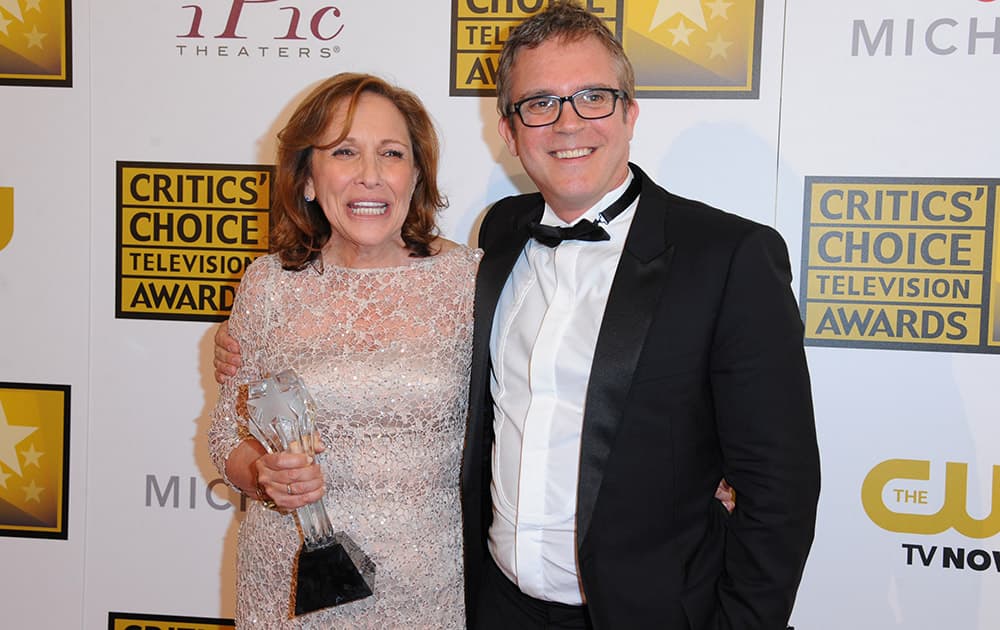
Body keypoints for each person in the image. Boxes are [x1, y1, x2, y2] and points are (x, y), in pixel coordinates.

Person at [216, 2, 816, 627]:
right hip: (493, 605)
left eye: (592, 97)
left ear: (630, 112)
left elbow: (780, 487)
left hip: (650, 612)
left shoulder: (729, 257)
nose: (567, 123)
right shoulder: (498, 242)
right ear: (510, 130)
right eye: (540, 103)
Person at [208, 72, 480, 628]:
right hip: (290, 588)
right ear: (308, 177)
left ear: (416, 175)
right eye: (345, 152)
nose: (371, 177)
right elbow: (224, 438)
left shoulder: (470, 282)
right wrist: (262, 471)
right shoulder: (267, 285)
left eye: (392, 153)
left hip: (427, 590)